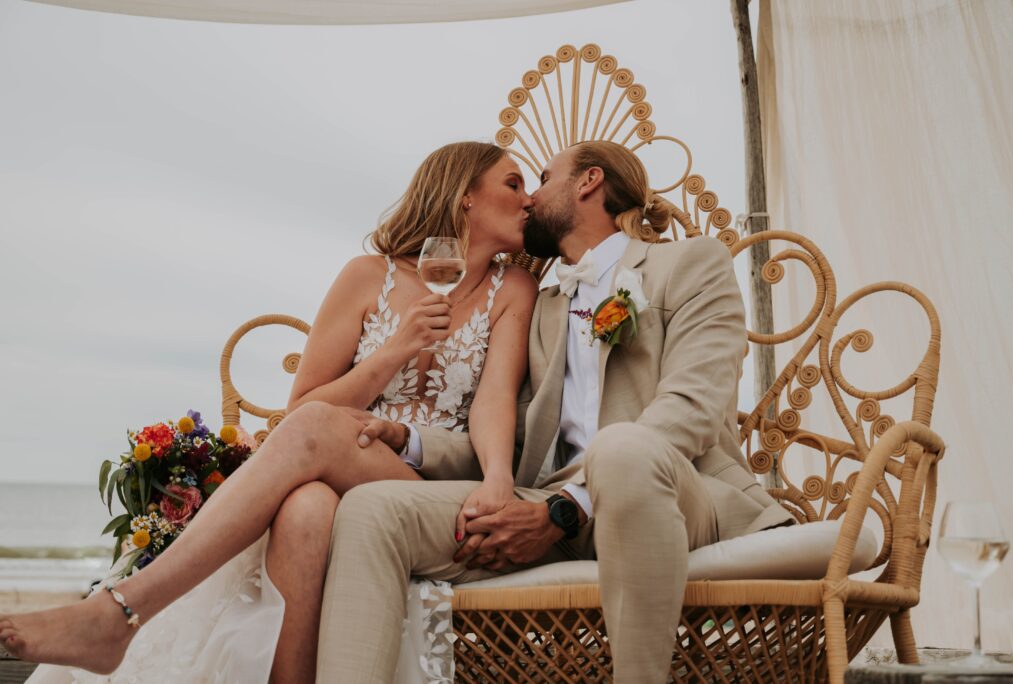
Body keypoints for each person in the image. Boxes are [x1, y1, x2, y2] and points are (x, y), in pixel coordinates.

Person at [1, 140, 539, 683]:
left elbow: (493, 399)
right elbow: (303, 404)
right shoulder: (366, 276)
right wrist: (395, 350)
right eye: (513, 184)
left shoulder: (515, 288)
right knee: (304, 507)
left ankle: (121, 609)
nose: (528, 199)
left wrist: (498, 478)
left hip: (432, 479)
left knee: (312, 436)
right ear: (464, 196)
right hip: (346, 461)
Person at [316, 141, 795, 683]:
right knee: (374, 511)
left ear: (589, 182)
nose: (530, 198)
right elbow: (513, 437)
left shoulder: (689, 263)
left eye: (541, 179)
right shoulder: (539, 302)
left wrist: (565, 509)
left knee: (622, 450)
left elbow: (694, 407)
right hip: (546, 507)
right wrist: (409, 438)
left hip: (673, 494)